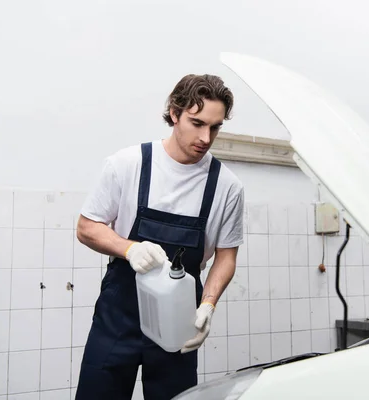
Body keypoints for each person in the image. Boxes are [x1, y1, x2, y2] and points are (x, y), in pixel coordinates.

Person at [74, 74, 244, 400]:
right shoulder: (128, 164)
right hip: (118, 318)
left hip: (178, 321)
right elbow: (87, 227)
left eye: (215, 127)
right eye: (197, 123)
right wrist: (129, 248)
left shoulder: (227, 186)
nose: (206, 137)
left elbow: (226, 256)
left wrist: (208, 304)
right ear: (175, 112)